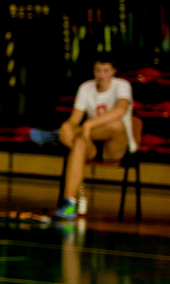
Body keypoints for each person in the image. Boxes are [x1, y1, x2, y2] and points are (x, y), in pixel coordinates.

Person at [52, 56, 142, 220]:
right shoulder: (86, 87)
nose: (102, 75)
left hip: (115, 148)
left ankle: (55, 136)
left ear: (114, 71)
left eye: (106, 71)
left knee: (115, 124)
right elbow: (74, 120)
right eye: (98, 71)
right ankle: (70, 203)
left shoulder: (122, 85)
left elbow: (121, 110)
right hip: (90, 144)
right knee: (77, 139)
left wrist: (88, 125)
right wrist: (67, 126)